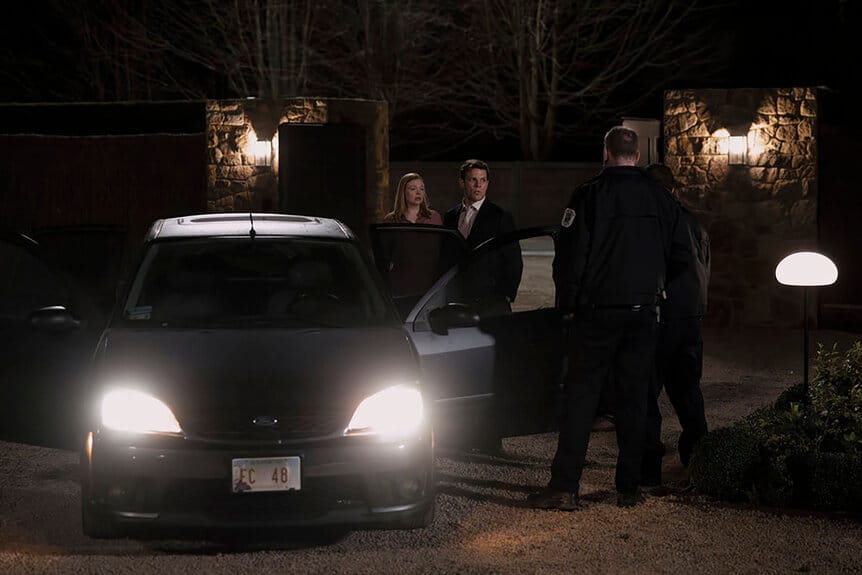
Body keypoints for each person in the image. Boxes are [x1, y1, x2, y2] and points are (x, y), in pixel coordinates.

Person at [528, 126, 689, 510]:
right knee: (634, 399)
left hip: (596, 314)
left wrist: (568, 304)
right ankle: (628, 488)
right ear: (636, 155)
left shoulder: (588, 196)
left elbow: (569, 258)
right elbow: (683, 255)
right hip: (642, 313)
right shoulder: (660, 198)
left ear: (606, 152)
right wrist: (654, 283)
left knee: (582, 398)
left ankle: (566, 486)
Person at [641, 162, 710, 485]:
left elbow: (673, 260)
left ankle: (649, 468)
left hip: (665, 315)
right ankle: (699, 459)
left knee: (646, 392)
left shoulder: (661, 220)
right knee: (687, 390)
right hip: (692, 316)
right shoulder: (694, 221)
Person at [443, 159, 523, 307]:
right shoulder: (450, 216)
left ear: (487, 184)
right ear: (462, 182)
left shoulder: (500, 216)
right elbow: (445, 257)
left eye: (483, 180)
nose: (478, 185)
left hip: (490, 299)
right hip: (456, 298)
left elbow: (514, 260)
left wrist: (506, 295)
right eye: (473, 179)